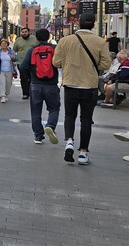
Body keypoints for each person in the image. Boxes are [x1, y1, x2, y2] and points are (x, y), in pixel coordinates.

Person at [52, 13, 111, 165]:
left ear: (78, 23)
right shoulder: (100, 42)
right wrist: (91, 65)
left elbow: (56, 62)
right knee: (86, 119)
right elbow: (106, 65)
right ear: (93, 24)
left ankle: (69, 142)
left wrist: (69, 63)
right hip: (89, 86)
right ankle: (83, 153)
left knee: (69, 116)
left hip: (70, 83)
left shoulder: (65, 41)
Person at [19, 29, 60, 144]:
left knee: (35, 111)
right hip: (51, 84)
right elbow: (60, 63)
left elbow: (22, 66)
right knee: (54, 108)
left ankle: (38, 135)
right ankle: (50, 126)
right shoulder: (54, 49)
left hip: (36, 85)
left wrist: (32, 74)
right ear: (49, 37)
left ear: (36, 38)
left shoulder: (32, 50)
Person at [13, 27, 39, 100]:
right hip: (21, 62)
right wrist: (14, 59)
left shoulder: (34, 39)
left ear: (29, 32)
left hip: (33, 63)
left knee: (32, 78)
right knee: (23, 78)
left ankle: (32, 93)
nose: (24, 33)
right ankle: (25, 93)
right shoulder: (18, 40)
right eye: (23, 32)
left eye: (25, 32)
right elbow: (14, 50)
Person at [0, 38, 17, 103]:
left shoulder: (11, 52)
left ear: (7, 45)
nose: (4, 45)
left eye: (5, 44)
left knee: (8, 83)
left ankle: (6, 94)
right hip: (0, 70)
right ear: (0, 45)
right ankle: (3, 96)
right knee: (2, 83)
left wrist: (13, 58)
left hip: (9, 70)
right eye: (2, 44)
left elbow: (16, 58)